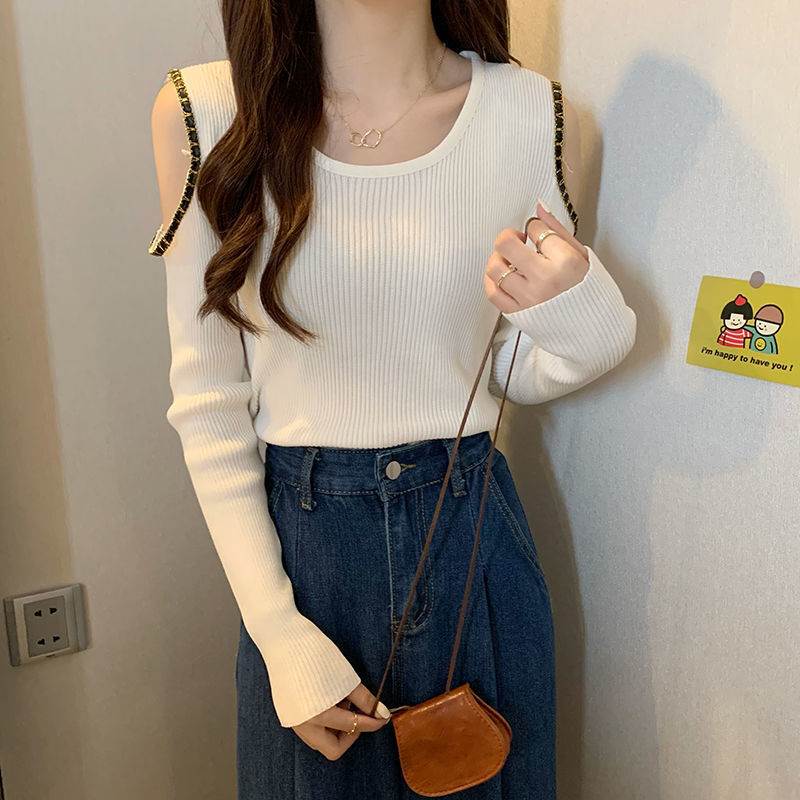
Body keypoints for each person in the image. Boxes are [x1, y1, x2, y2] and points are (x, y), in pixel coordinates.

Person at [148, 2, 636, 797]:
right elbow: (209, 401)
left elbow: (499, 367)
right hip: (302, 565)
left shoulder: (533, 115)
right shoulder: (206, 112)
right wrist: (279, 633)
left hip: (473, 543)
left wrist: (594, 326)